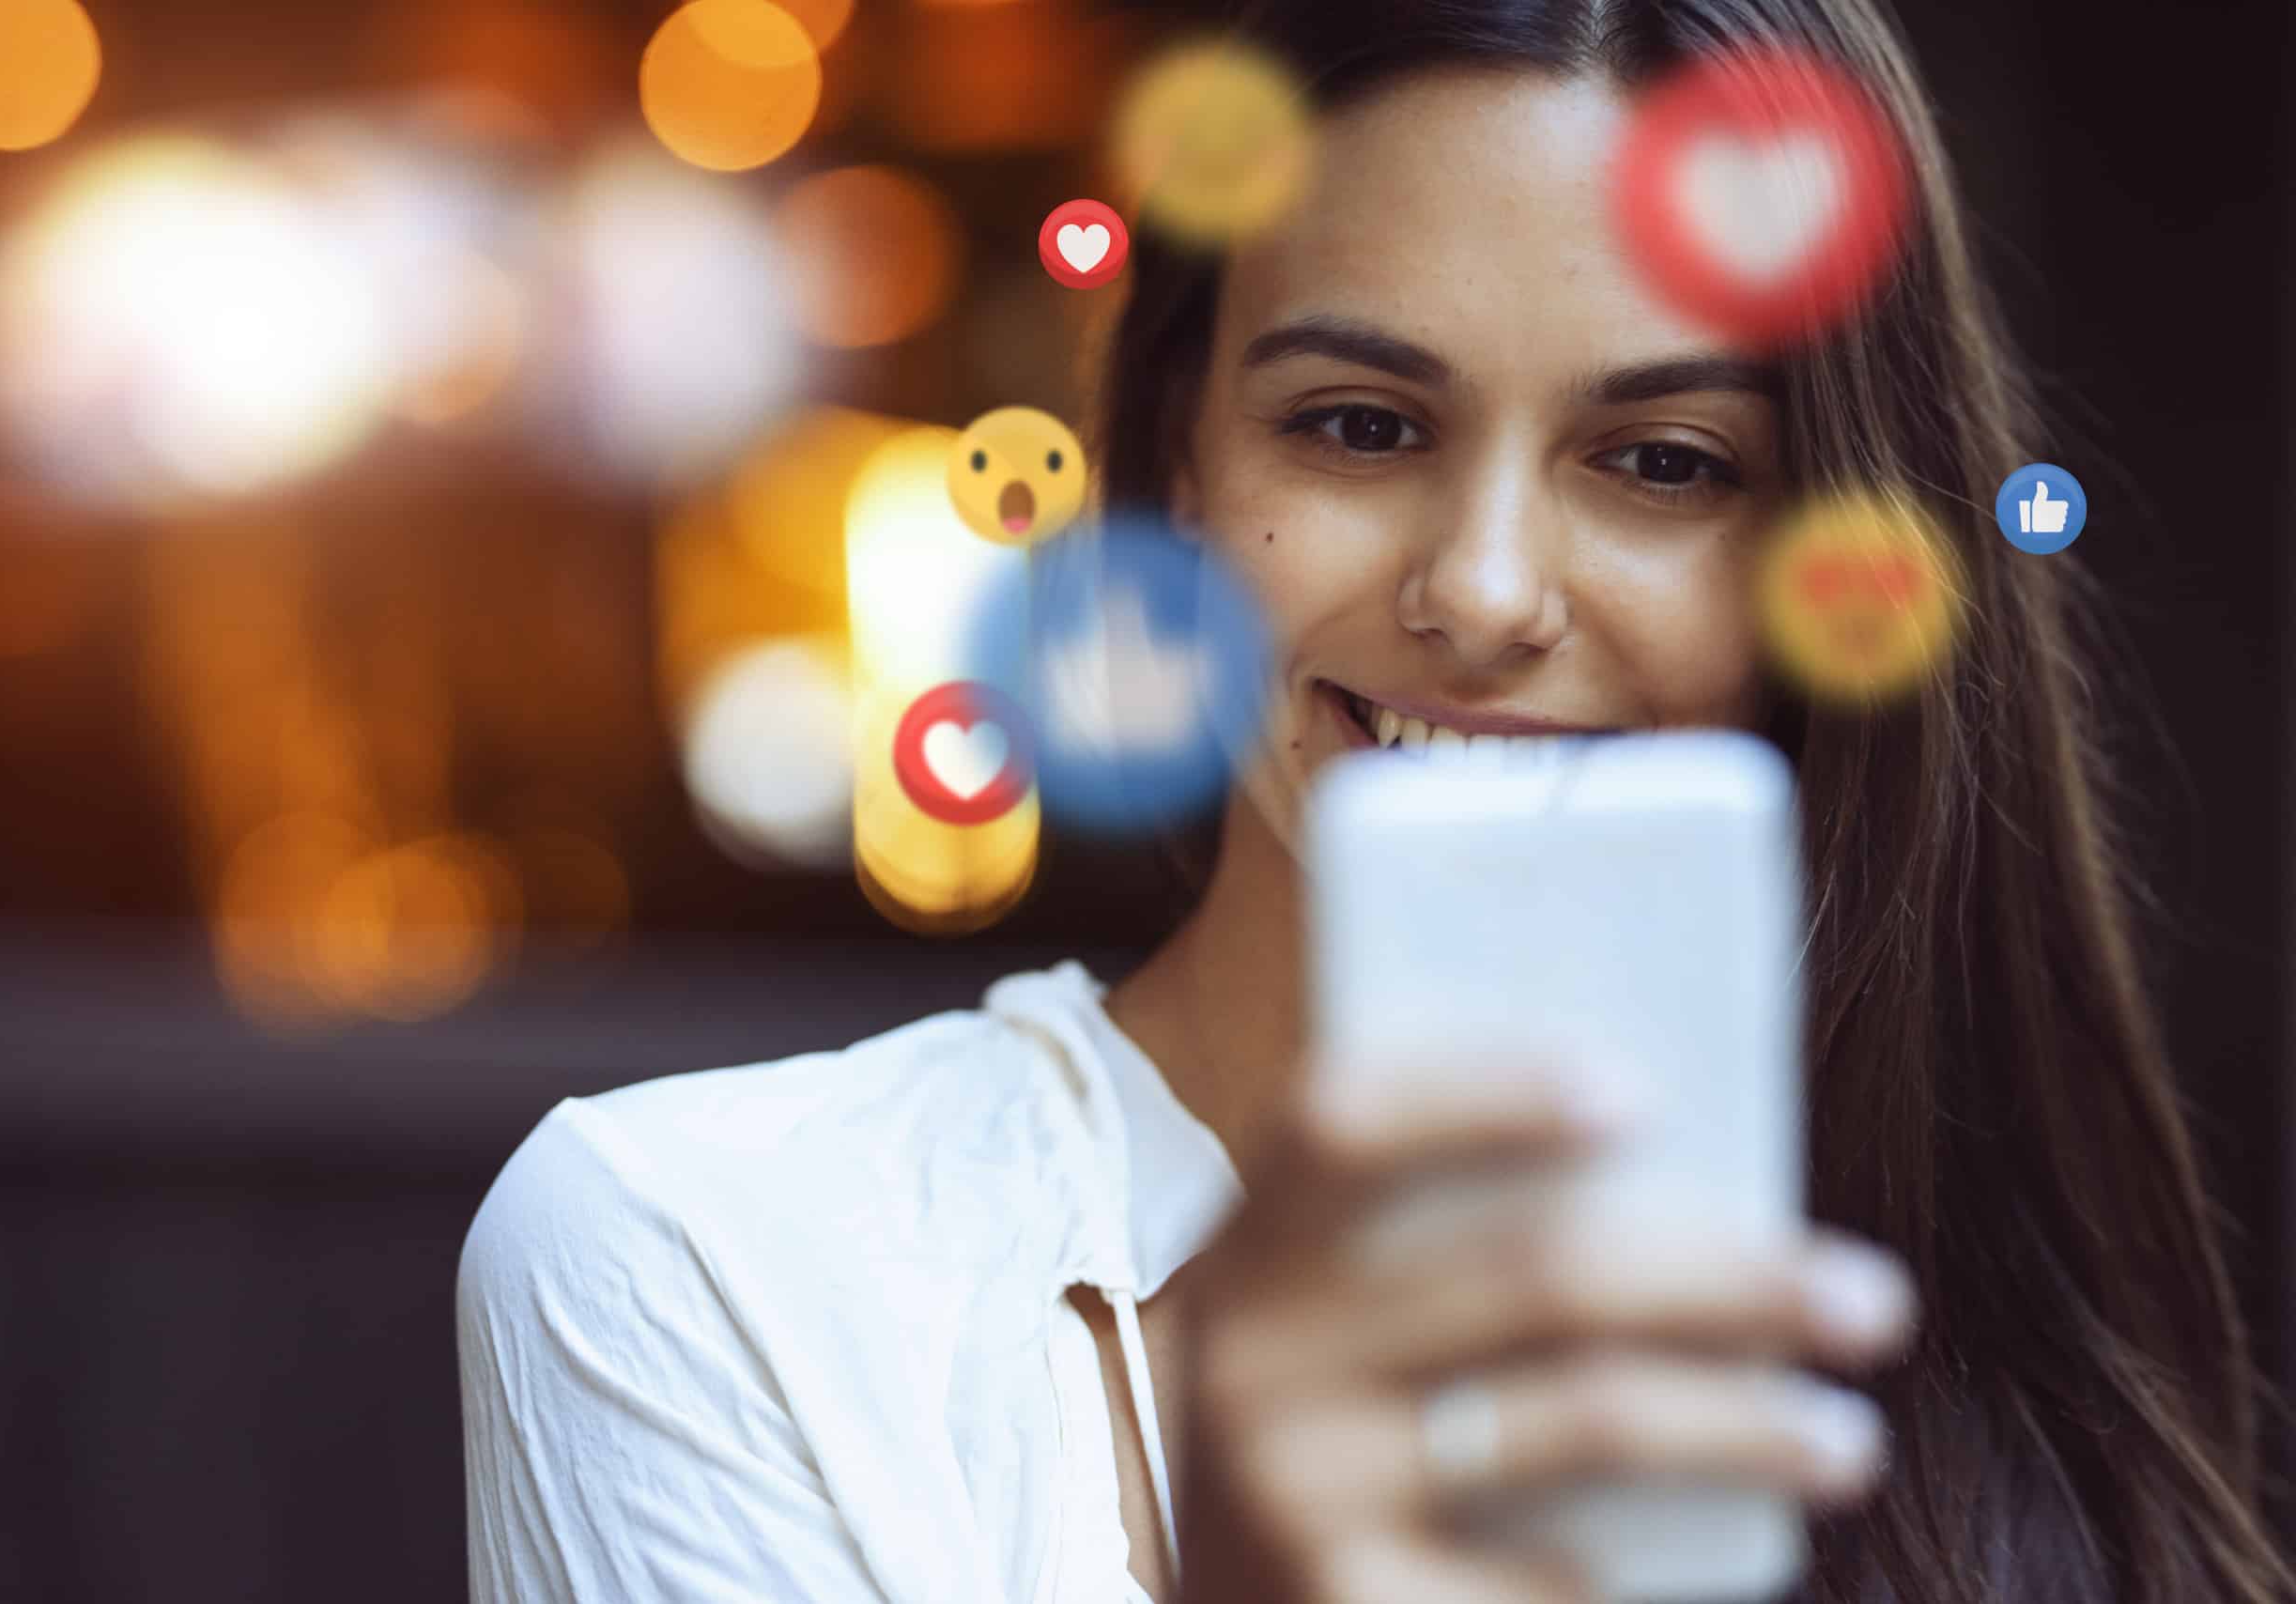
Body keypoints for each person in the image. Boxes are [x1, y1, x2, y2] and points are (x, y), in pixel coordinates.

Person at [456, 1, 2294, 1599]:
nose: (1482, 590)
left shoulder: (2034, 1420)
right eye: (1357, 423)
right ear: (1177, 458)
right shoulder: (712, 1265)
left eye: (1660, 461)